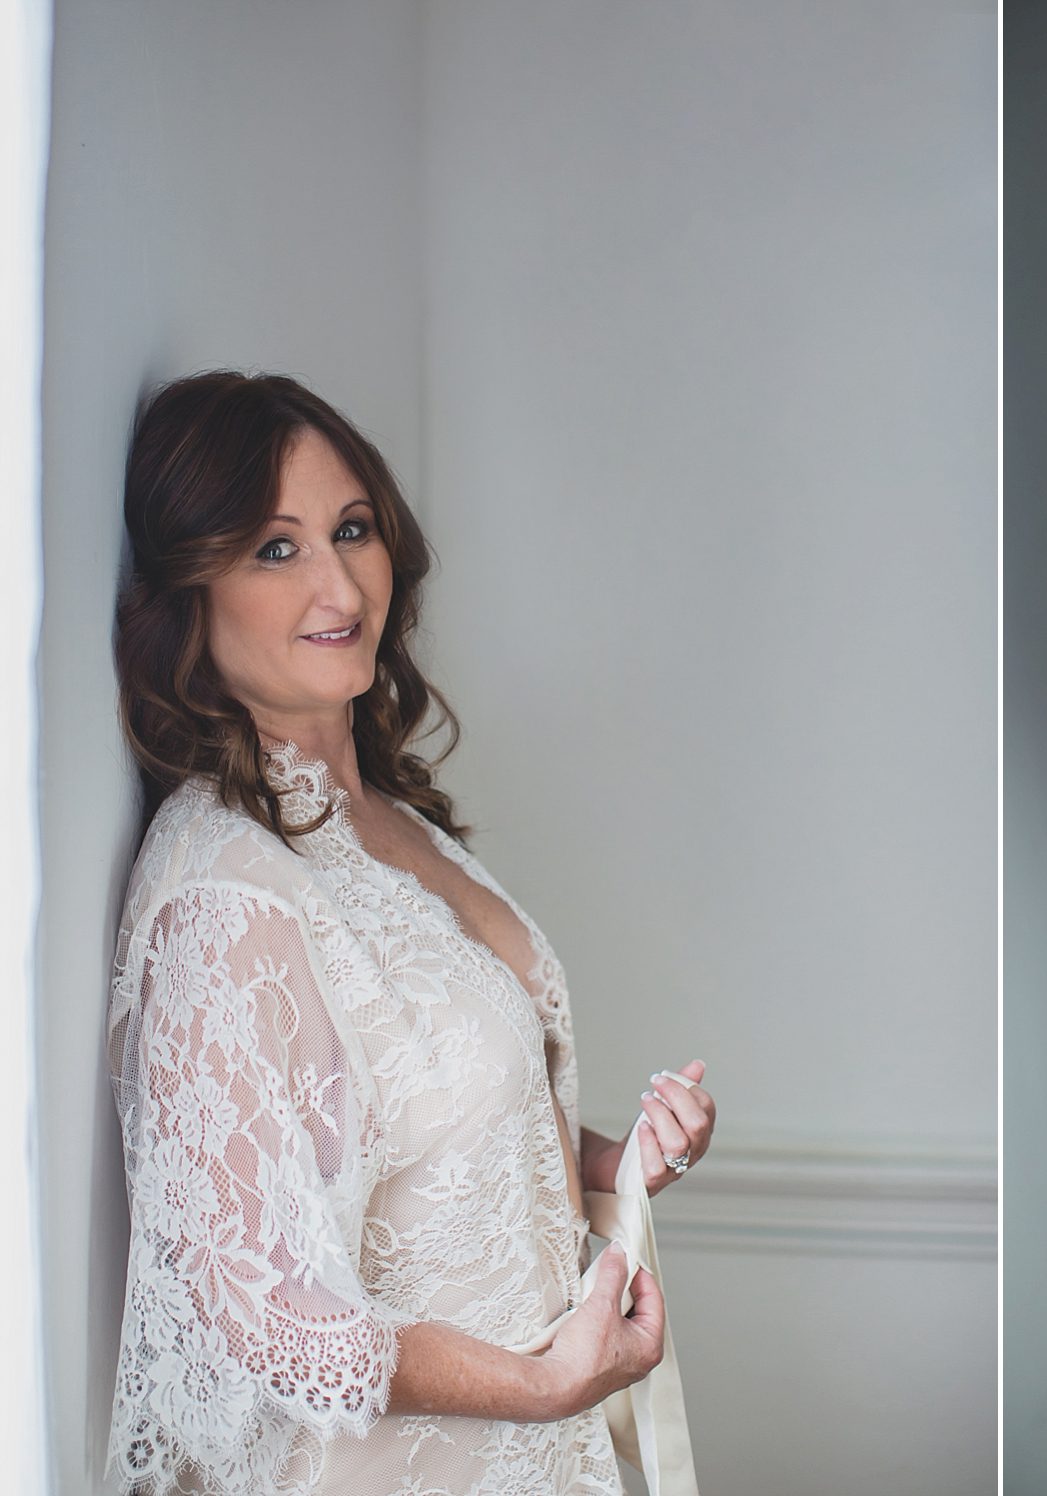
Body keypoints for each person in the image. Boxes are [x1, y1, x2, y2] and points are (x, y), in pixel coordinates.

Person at [104, 371, 718, 1494]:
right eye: (272, 549)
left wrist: (613, 1159)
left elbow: (422, 1126)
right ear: (189, 592)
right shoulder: (223, 892)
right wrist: (544, 1384)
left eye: (351, 528)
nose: (339, 582)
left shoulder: (388, 816)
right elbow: (264, 1313)